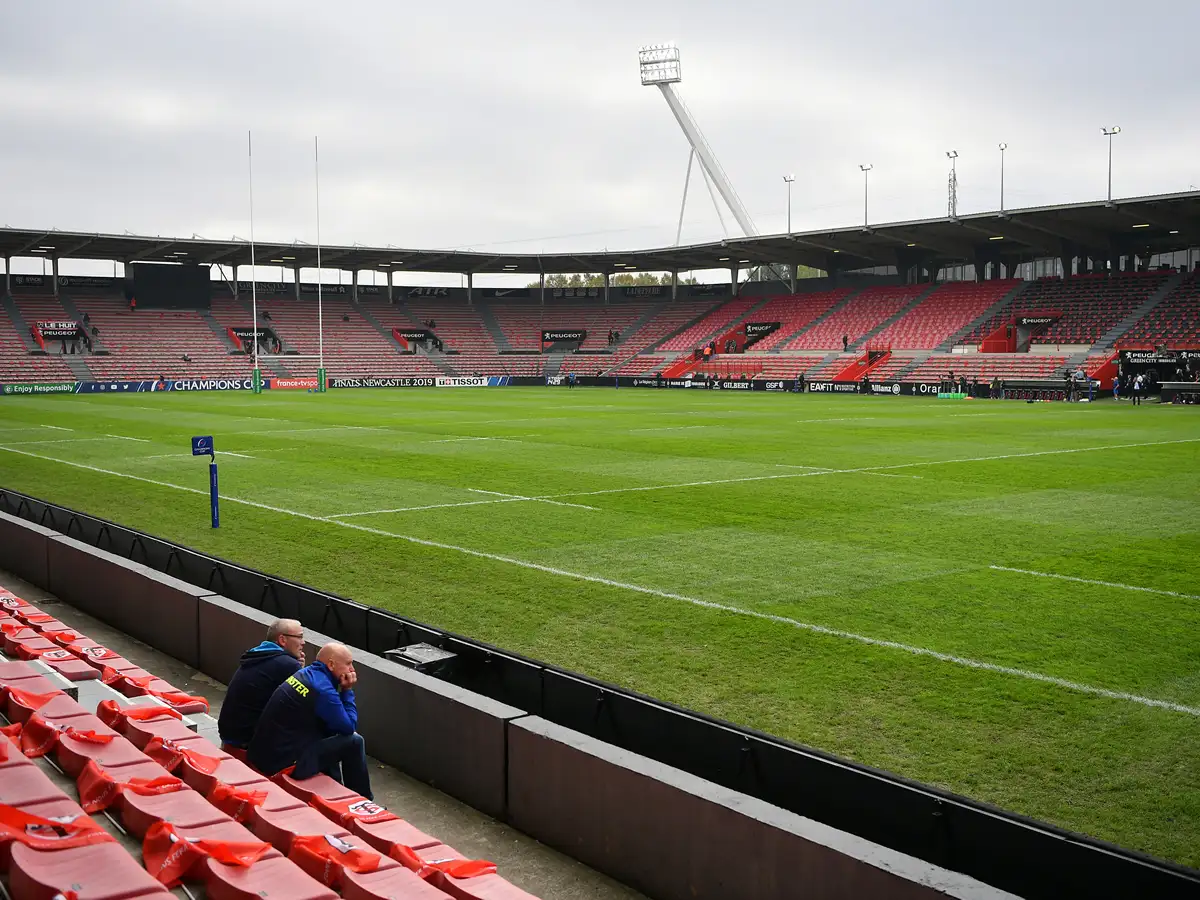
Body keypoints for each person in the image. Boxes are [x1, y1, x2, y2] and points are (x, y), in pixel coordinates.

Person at [248, 641, 372, 800]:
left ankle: (336, 790)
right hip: (284, 765)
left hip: (266, 755)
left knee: (329, 732)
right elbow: (348, 728)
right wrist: (347, 691)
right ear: (331, 664)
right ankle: (363, 801)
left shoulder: (306, 674)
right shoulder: (322, 689)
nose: (352, 670)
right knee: (354, 741)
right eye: (348, 664)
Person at [218, 619, 305, 751]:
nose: (303, 642)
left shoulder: (258, 655)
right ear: (282, 640)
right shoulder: (287, 664)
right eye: (299, 637)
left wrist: (299, 670)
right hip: (248, 742)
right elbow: (309, 703)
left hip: (229, 735)